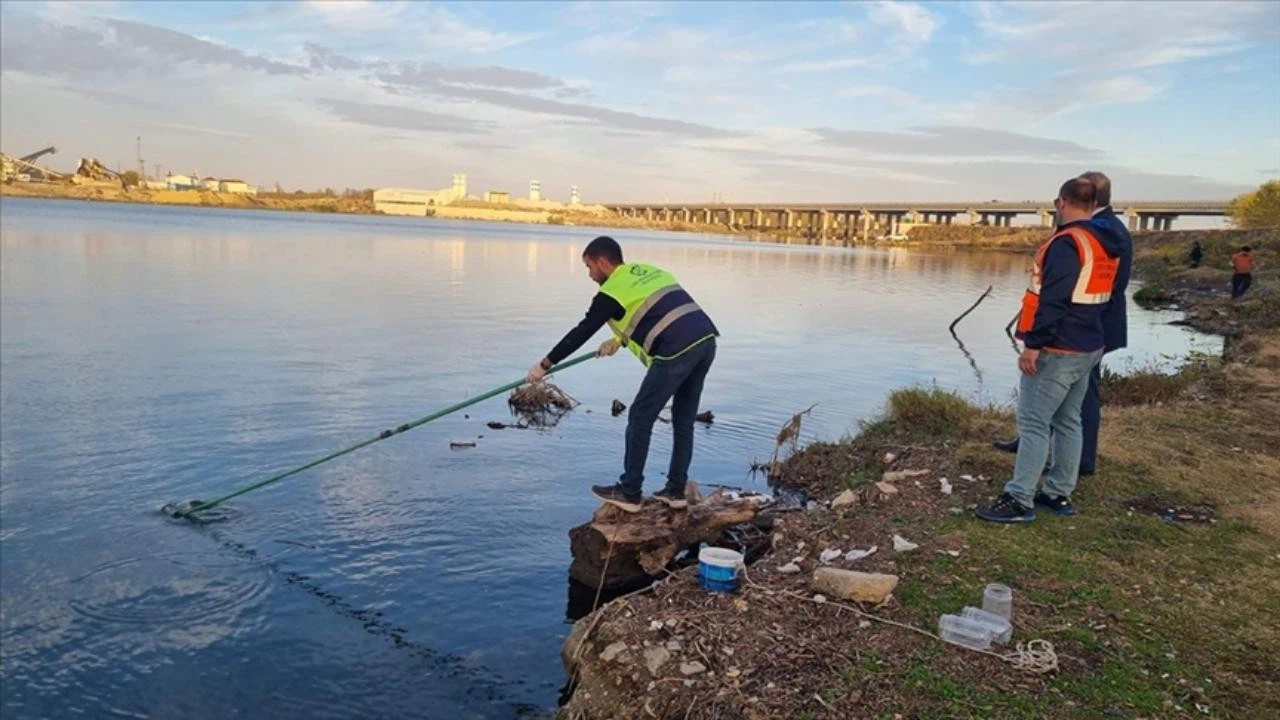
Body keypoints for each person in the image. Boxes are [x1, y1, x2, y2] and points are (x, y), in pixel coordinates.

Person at [527, 236, 719, 513]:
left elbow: (581, 331)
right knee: (683, 420)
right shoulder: (647, 271)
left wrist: (544, 365)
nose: (590, 274)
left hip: (676, 350)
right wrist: (620, 340)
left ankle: (630, 492)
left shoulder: (611, 291)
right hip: (705, 340)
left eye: (589, 267)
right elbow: (655, 311)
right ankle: (676, 491)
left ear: (603, 262)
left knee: (640, 416)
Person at [976, 177, 1122, 523]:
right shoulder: (1104, 241)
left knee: (1034, 423)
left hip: (1059, 347)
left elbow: (1054, 300)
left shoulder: (1067, 243)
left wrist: (1034, 345)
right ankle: (1058, 493)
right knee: (1069, 420)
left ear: (1061, 202)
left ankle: (1019, 499)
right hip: (1089, 343)